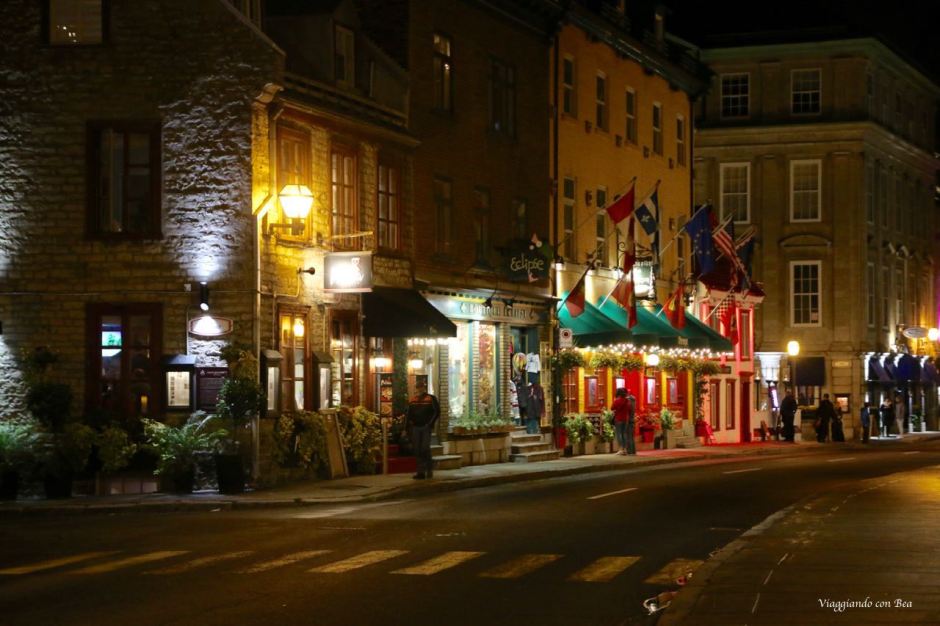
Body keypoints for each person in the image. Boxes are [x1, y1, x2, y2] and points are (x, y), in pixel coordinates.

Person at [406, 381, 440, 480]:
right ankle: (420, 472)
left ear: (424, 388)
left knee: (425, 448)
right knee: (417, 449)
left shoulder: (431, 398)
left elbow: (437, 411)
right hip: (416, 427)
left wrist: (430, 424)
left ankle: (429, 468)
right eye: (417, 387)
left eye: (421, 387)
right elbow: (409, 414)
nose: (419, 389)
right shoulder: (413, 400)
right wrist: (408, 426)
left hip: (425, 427)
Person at [611, 387, 636, 455]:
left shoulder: (617, 401)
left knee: (619, 434)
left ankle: (621, 449)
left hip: (618, 419)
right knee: (624, 434)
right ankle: (625, 449)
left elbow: (612, 408)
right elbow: (630, 409)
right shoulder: (627, 401)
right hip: (626, 419)